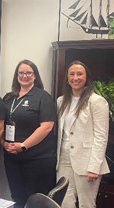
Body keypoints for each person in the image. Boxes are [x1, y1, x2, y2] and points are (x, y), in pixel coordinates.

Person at [1, 59, 56, 208]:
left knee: (35, 200)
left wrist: (23, 146)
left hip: (36, 160)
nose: (24, 76)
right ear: (16, 75)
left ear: (35, 76)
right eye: (21, 73)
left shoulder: (42, 97)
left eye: (28, 73)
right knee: (17, 197)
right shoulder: (8, 98)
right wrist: (3, 142)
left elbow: (46, 127)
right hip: (12, 159)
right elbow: (1, 124)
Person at [57, 60, 109, 208]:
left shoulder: (97, 102)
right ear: (67, 78)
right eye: (72, 74)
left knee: (86, 204)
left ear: (86, 77)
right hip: (63, 159)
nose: (75, 78)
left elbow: (101, 136)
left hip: (87, 161)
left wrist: (94, 166)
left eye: (79, 74)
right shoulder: (61, 101)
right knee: (65, 203)